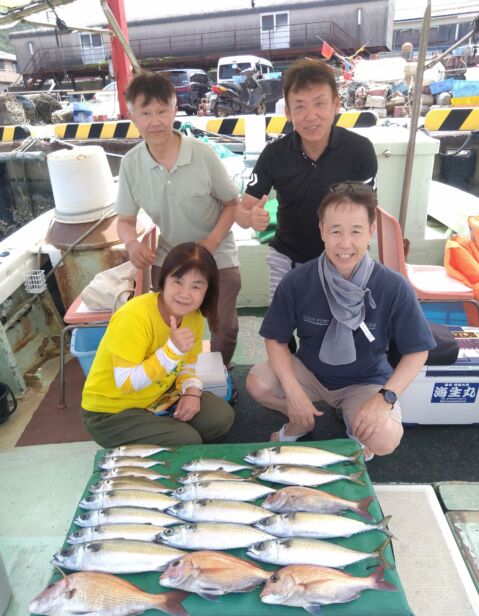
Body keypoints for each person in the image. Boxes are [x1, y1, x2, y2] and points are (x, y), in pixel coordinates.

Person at [246, 183, 436, 458]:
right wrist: (293, 392)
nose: (345, 243)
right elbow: (275, 339)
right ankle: (301, 419)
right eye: (335, 231)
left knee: (384, 439)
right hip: (310, 372)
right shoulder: (298, 281)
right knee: (258, 383)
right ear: (322, 230)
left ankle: (355, 422)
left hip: (365, 380)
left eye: (356, 231)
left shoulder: (393, 286)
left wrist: (385, 398)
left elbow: (418, 351)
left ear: (371, 231)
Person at [116, 71, 241, 371]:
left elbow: (232, 204)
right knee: (165, 321)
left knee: (226, 326)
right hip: (170, 253)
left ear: (175, 110)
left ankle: (220, 372)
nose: (155, 121)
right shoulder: (131, 164)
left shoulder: (203, 155)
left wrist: (211, 242)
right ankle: (173, 377)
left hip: (217, 251)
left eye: (162, 111)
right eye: (146, 113)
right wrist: (132, 244)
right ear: (133, 117)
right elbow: (125, 220)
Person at [235, 58, 378, 303]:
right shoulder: (274, 154)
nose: (311, 116)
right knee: (280, 324)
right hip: (287, 259)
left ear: (335, 105)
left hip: (343, 257)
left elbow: (368, 214)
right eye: (300, 107)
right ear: (288, 113)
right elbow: (241, 211)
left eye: (319, 104)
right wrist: (250, 218)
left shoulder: (360, 150)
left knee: (345, 323)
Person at [81, 242, 234, 448]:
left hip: (158, 398)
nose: (185, 294)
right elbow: (126, 382)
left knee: (220, 417)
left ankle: (167, 438)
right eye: (178, 281)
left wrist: (191, 391)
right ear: (163, 280)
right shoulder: (133, 316)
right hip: (111, 412)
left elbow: (188, 363)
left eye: (196, 286)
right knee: (187, 440)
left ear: (208, 290)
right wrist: (171, 351)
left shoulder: (194, 316)